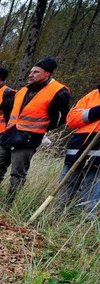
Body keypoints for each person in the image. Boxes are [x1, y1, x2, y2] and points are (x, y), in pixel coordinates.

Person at [0, 57, 70, 202]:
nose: (31, 74)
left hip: (29, 138)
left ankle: (9, 203)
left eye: (36, 72)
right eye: (31, 72)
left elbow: (62, 118)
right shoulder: (22, 91)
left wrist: (43, 130)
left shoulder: (59, 91)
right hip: (9, 134)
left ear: (47, 73)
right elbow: (10, 111)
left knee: (17, 173)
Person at [56, 83, 100, 216]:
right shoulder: (93, 95)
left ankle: (80, 226)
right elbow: (71, 120)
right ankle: (54, 219)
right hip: (77, 151)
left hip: (98, 159)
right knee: (64, 191)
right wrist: (96, 111)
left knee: (89, 197)